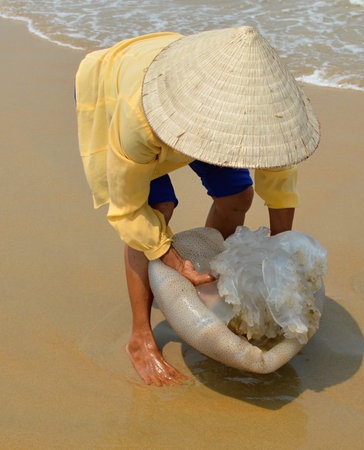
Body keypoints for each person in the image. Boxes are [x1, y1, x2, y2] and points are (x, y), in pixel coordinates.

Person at [75, 26, 319, 386]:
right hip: (126, 88)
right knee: (157, 208)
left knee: (237, 196)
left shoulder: (266, 113)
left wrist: (282, 255)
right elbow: (128, 211)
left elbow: (279, 179)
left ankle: (206, 273)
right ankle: (140, 335)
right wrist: (173, 260)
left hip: (204, 86)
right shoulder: (139, 120)